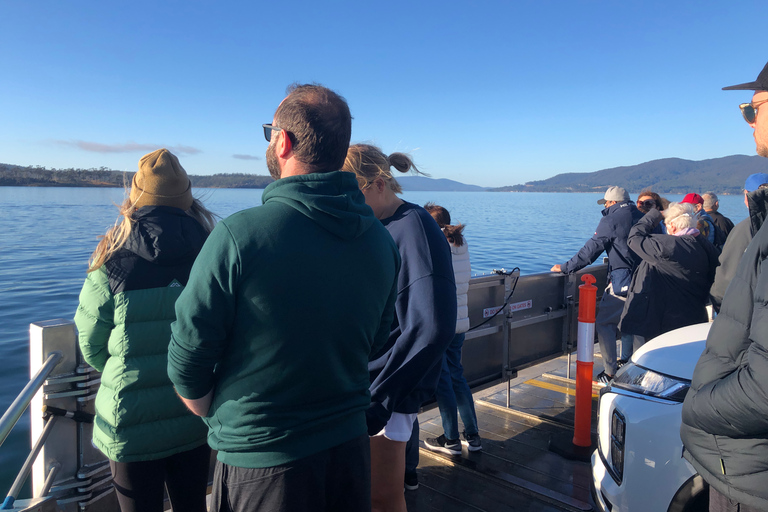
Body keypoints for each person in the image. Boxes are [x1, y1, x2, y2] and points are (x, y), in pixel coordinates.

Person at [167, 85, 401, 512]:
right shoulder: (381, 242)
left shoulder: (239, 236)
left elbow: (188, 358)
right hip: (349, 452)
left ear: (282, 141)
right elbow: (374, 341)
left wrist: (211, 411)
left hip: (263, 465)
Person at [74, 148, 216, 512]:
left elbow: (91, 343)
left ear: (135, 196)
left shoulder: (111, 257)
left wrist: (124, 370)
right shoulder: (213, 250)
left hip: (128, 420)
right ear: (186, 196)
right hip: (194, 411)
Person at [342, 144, 456, 512]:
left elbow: (432, 326)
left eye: (349, 191)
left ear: (377, 183)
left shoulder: (413, 227)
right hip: (367, 384)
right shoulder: (381, 224)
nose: (345, 201)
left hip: (383, 389)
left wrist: (381, 398)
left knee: (383, 497)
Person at [681, 60, 768, 511]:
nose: (748, 123)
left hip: (749, 475)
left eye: (752, 110)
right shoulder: (749, 224)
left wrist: (696, 406)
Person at [550, 186, 643, 383]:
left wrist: (567, 267)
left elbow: (592, 249)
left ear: (613, 202)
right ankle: (642, 372)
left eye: (607, 203)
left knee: (604, 323)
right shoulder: (643, 216)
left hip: (623, 281)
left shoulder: (611, 219)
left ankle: (609, 373)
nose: (606, 206)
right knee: (639, 325)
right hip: (647, 279)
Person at [422, 203, 482, 458]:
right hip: (460, 321)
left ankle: (451, 439)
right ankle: (473, 435)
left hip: (441, 320)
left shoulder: (436, 245)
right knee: (457, 376)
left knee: (443, 380)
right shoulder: (460, 243)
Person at [618, 202, 719, 350]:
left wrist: (655, 215)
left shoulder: (666, 246)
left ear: (672, 226)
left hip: (664, 321)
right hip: (695, 316)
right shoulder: (705, 246)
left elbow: (634, 238)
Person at [709, 173, 768, 313]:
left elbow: (728, 274)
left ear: (748, 197)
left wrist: (717, 298)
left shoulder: (745, 229)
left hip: (752, 310)